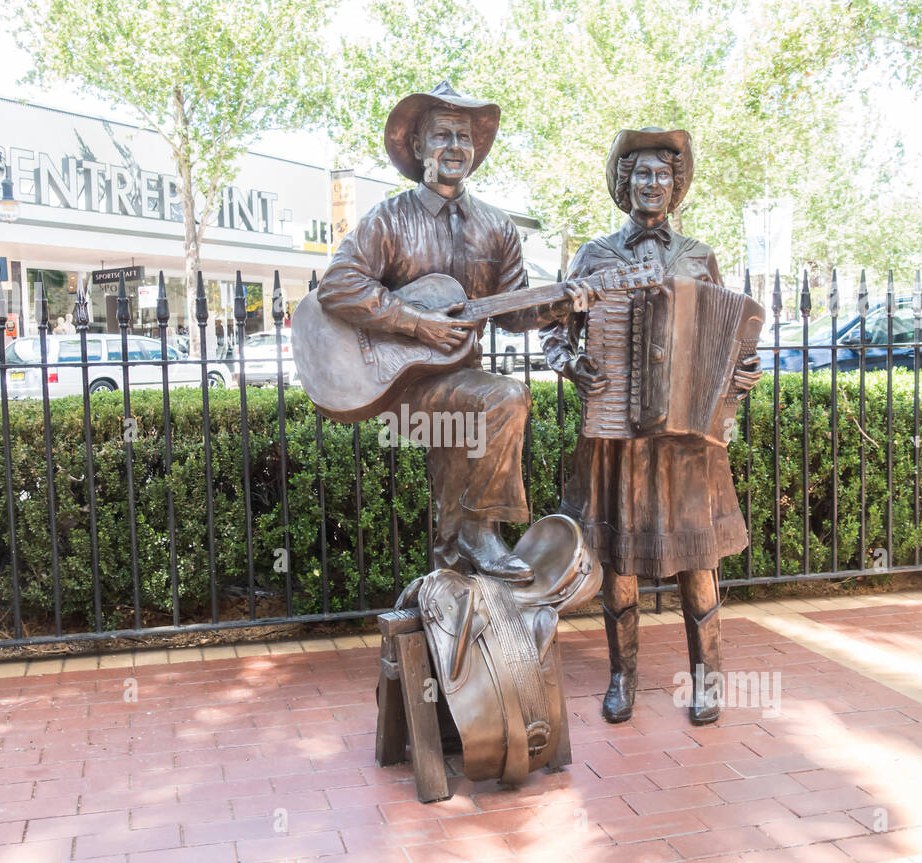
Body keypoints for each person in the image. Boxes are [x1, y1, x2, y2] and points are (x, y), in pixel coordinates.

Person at [316, 82, 588, 581]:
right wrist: (414, 320)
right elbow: (336, 285)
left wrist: (559, 306)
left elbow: (511, 313)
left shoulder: (496, 227)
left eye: (464, 138)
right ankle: (480, 532)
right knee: (505, 397)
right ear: (419, 148)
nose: (455, 147)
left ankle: (456, 603)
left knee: (460, 468)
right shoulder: (389, 219)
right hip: (400, 384)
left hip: (461, 380)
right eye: (442, 136)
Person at [541, 127, 762, 723]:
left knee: (699, 559)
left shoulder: (698, 256)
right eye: (641, 174)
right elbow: (553, 334)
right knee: (620, 561)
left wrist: (743, 374)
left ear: (677, 185)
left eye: (664, 175)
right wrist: (574, 365)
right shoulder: (594, 255)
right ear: (623, 183)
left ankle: (708, 680)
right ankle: (623, 680)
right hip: (619, 437)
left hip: (690, 442)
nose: (653, 185)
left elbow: (733, 339)